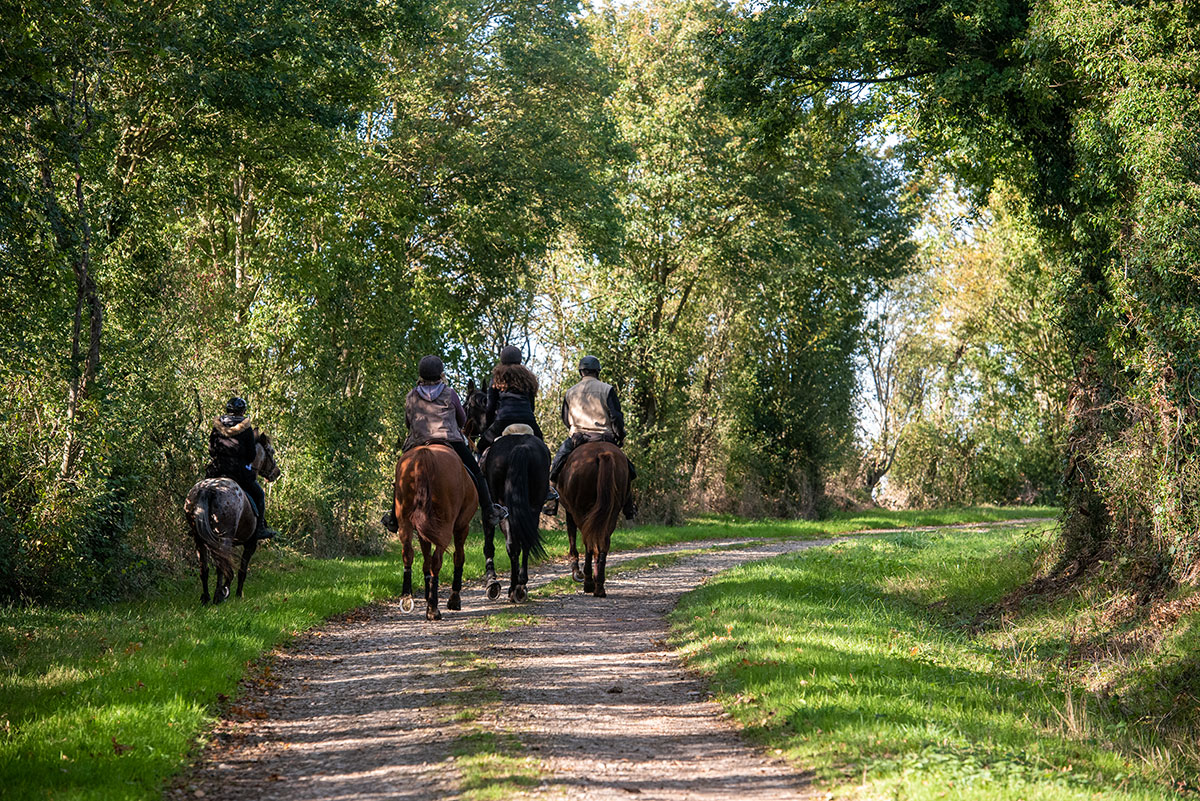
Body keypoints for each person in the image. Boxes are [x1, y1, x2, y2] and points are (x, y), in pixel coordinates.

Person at [381, 355, 505, 532]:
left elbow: (408, 422)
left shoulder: (412, 395)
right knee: (477, 472)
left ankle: (394, 517)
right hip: (449, 440)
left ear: (421, 374)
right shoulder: (450, 393)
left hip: (418, 441)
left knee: (400, 474)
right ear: (441, 374)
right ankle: (490, 511)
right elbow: (462, 420)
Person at [543, 355, 637, 519]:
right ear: (597, 371)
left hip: (578, 438)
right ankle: (628, 506)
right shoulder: (607, 389)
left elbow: (565, 418)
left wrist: (575, 429)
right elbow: (616, 416)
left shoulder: (571, 391)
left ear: (581, 372)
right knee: (629, 471)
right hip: (604, 437)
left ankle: (551, 502)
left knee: (556, 467)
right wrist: (619, 435)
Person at [206, 396, 277, 541]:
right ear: (242, 411)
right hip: (238, 472)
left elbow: (211, 450)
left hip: (216, 469)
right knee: (259, 495)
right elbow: (251, 455)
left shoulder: (217, 427)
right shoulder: (246, 428)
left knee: (204, 490)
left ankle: (197, 524)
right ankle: (260, 529)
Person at [474, 345, 544, 454]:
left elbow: (490, 407)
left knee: (479, 447)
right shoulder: (529, 379)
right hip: (527, 419)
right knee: (542, 446)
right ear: (520, 360)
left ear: (502, 360)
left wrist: (488, 426)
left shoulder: (496, 379)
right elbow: (532, 407)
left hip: (504, 420)